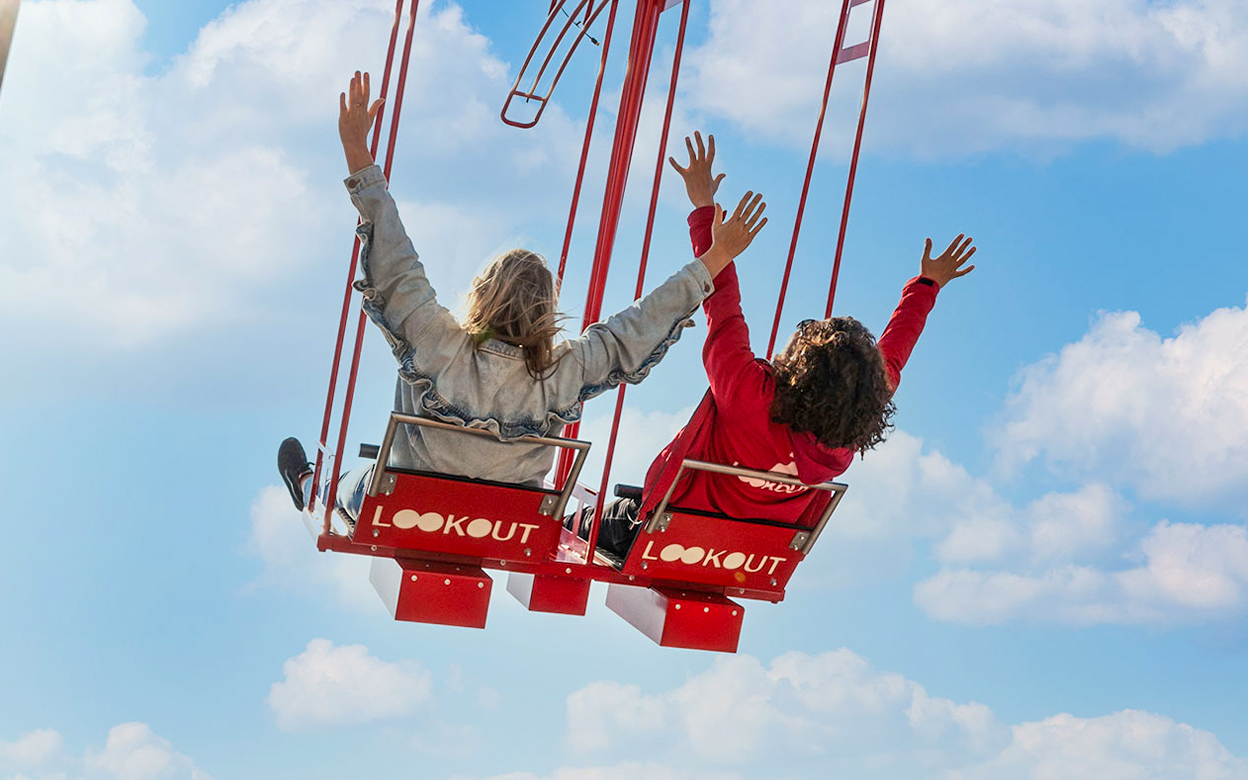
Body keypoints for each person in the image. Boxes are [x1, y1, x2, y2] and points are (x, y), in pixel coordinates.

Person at [278, 72, 769, 527]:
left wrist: (356, 152)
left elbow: (394, 261)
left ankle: (310, 483)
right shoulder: (563, 372)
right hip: (509, 519)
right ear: (547, 311)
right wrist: (715, 255)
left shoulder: (437, 341)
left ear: (482, 294)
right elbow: (638, 327)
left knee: (349, 487)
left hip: (412, 502)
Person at [583, 131, 975, 557]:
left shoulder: (750, 394)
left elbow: (722, 306)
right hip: (752, 551)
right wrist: (927, 285)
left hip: (668, 533)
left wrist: (704, 213)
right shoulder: (849, 432)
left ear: (801, 364)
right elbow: (895, 352)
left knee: (584, 520)